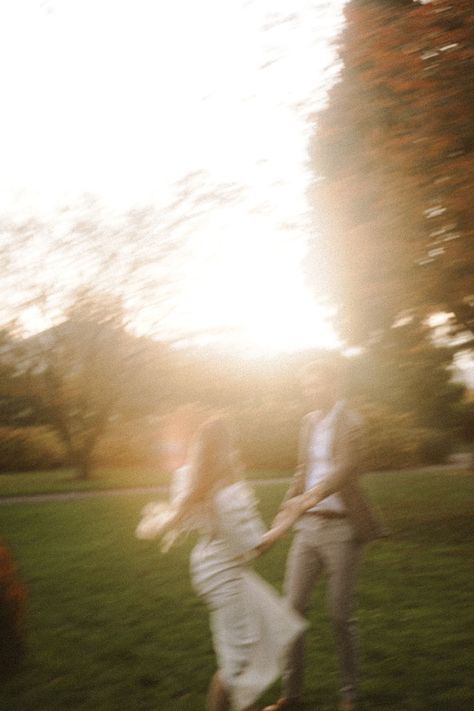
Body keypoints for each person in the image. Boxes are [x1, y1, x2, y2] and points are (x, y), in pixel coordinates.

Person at [136, 414, 319, 711]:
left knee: (269, 628)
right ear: (225, 449)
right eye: (232, 445)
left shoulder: (196, 479)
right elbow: (257, 546)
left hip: (214, 563)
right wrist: (290, 517)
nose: (236, 451)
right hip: (223, 574)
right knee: (237, 666)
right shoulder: (226, 495)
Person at [263, 359, 386, 711]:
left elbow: (344, 469)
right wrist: (285, 512)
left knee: (339, 615)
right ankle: (291, 695)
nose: (310, 391)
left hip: (342, 528)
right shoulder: (308, 422)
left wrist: (311, 496)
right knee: (292, 609)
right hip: (308, 527)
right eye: (306, 385)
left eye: (316, 384)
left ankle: (348, 695)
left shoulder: (353, 423)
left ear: (334, 385)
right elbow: (302, 470)